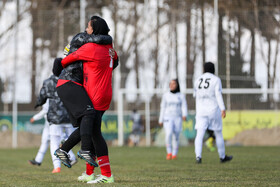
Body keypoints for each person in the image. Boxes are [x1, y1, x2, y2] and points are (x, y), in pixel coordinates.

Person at [53, 16, 118, 184]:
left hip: (94, 94)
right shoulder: (111, 49)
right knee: (91, 130)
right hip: (106, 95)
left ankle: (107, 174)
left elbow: (65, 61)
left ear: (94, 30)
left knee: (93, 134)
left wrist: (59, 63)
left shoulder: (90, 48)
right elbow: (115, 61)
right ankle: (90, 172)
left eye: (88, 27)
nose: (86, 30)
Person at [35, 75, 77, 173]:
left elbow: (42, 97)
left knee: (54, 141)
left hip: (55, 118)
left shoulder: (48, 82)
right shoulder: (69, 80)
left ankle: (57, 166)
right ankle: (72, 157)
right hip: (68, 116)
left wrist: (38, 103)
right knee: (69, 138)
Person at [193, 62, 233, 164]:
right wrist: (223, 108)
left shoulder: (197, 80)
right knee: (218, 133)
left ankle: (198, 157)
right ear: (213, 69)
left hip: (201, 111)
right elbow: (218, 94)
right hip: (213, 110)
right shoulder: (216, 79)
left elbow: (195, 95)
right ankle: (222, 157)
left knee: (199, 134)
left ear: (204, 69)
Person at [159, 79, 188, 160]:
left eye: (174, 84)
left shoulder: (181, 95)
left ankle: (174, 154)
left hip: (178, 118)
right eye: (170, 84)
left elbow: (184, 106)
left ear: (177, 85)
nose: (172, 85)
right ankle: (169, 152)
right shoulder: (166, 95)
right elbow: (163, 107)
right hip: (168, 117)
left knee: (176, 136)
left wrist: (184, 114)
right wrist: (161, 119)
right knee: (168, 134)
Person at [28, 101, 50, 166]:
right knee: (45, 142)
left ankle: (71, 158)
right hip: (48, 124)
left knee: (59, 142)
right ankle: (38, 160)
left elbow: (45, 111)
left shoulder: (49, 96)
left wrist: (34, 118)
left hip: (54, 124)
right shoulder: (49, 95)